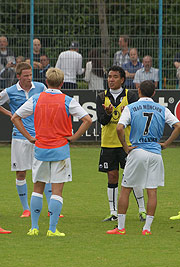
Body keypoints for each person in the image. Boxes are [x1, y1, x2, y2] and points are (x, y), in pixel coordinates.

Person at [11, 67, 92, 237]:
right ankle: (52, 229)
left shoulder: (36, 98)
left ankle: (34, 227)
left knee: (37, 188)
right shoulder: (67, 100)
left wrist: (29, 137)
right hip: (60, 150)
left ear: (46, 82)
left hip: (41, 149)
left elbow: (15, 117)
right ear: (62, 83)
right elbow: (87, 119)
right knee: (57, 191)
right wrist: (74, 137)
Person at [107, 80, 180, 236]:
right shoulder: (162, 109)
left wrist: (125, 147)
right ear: (154, 93)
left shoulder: (131, 108)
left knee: (126, 189)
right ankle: (147, 228)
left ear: (138, 91)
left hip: (138, 151)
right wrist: (166, 143)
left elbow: (119, 128)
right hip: (155, 153)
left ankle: (120, 228)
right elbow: (178, 126)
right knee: (152, 191)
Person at [96, 65, 146, 222]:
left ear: (122, 80)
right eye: (109, 76)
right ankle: (113, 212)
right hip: (108, 143)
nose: (111, 79)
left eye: (115, 77)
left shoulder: (130, 96)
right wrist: (108, 113)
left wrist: (128, 114)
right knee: (112, 176)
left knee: (133, 177)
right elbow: (102, 121)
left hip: (127, 143)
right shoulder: (101, 96)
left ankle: (142, 210)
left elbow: (138, 119)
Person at [0, 62, 49, 218]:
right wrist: (10, 114)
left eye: (30, 75)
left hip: (40, 136)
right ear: (19, 76)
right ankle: (26, 209)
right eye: (26, 76)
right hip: (20, 137)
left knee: (44, 171)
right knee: (21, 173)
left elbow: (51, 101)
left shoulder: (41, 87)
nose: (29, 78)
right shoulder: (10, 91)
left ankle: (50, 209)